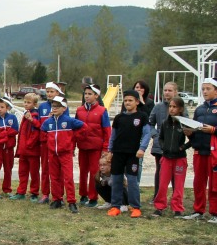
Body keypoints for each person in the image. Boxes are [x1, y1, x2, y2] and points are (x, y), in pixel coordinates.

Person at [107, 89, 151, 218]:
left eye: (130, 100)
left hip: (133, 154)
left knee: (132, 181)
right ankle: (116, 206)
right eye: (125, 100)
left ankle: (135, 206)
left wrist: (142, 148)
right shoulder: (119, 117)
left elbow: (147, 134)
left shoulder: (142, 117)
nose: (127, 103)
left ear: (137, 102)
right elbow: (113, 136)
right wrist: (110, 151)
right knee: (116, 180)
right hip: (118, 153)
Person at [41, 96, 87, 213]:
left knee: (68, 177)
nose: (54, 108)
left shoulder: (69, 121)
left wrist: (72, 138)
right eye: (53, 106)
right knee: (54, 177)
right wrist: (49, 143)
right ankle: (57, 199)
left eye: (57, 106)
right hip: (52, 154)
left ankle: (71, 201)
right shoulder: (48, 122)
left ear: (64, 108)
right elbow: (43, 131)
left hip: (65, 153)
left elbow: (84, 127)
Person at [182, 78, 217, 222]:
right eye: (203, 89)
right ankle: (198, 210)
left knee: (214, 184)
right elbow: (195, 127)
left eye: (208, 89)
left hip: (214, 151)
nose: (205, 92)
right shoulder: (199, 109)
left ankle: (215, 213)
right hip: (199, 150)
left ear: (215, 90)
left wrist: (213, 130)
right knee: (199, 183)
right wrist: (190, 133)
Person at [75, 84, 111, 207]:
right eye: (85, 94)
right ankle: (83, 195)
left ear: (96, 95)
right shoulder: (79, 110)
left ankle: (93, 197)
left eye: (90, 94)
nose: (87, 96)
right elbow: (75, 129)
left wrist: (105, 148)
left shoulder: (102, 111)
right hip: (82, 147)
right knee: (82, 171)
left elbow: (107, 131)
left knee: (94, 172)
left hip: (96, 148)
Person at [148, 82, 184, 204]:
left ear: (175, 92)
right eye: (165, 90)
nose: (167, 93)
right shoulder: (158, 107)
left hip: (176, 146)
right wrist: (155, 135)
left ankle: (176, 198)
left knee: (176, 174)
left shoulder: (180, 107)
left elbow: (187, 123)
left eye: (169, 90)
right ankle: (157, 197)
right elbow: (150, 123)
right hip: (160, 145)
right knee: (160, 171)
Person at [153, 96, 188, 217]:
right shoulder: (164, 123)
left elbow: (193, 139)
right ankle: (159, 207)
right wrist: (164, 147)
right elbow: (161, 137)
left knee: (178, 185)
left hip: (179, 159)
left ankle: (177, 208)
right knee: (162, 184)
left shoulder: (184, 123)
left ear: (180, 109)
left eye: (175, 107)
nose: (172, 109)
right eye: (170, 107)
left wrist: (183, 147)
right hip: (166, 158)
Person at [36, 81, 67, 204]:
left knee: (59, 170)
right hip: (45, 143)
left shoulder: (63, 105)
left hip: (58, 143)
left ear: (57, 92)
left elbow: (66, 124)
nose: (49, 94)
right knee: (45, 168)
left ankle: (59, 195)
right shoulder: (42, 107)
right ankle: (45, 193)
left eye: (51, 91)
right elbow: (39, 124)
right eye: (47, 91)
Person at [11, 93, 41, 201]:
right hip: (23, 150)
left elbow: (36, 131)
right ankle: (21, 191)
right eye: (25, 102)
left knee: (34, 173)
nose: (26, 104)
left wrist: (29, 145)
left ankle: (34, 192)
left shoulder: (35, 115)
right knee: (22, 172)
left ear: (35, 104)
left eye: (29, 102)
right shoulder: (26, 114)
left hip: (32, 150)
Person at [0, 97, 19, 199]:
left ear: (7, 108)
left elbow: (15, 130)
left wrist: (4, 134)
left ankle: (7, 189)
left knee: (8, 169)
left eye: (2, 107)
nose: (0, 109)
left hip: (9, 149)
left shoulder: (12, 118)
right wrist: (0, 140)